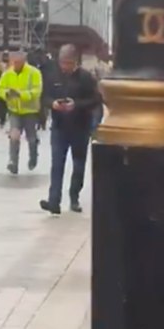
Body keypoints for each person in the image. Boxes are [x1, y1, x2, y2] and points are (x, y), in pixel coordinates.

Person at [39, 44, 101, 215]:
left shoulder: (86, 78)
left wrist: (77, 105)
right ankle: (54, 201)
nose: (64, 67)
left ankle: (74, 197)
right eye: (62, 63)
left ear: (75, 62)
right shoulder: (53, 76)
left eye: (68, 63)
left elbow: (95, 100)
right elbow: (44, 97)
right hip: (59, 127)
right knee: (57, 165)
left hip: (80, 128)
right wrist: (53, 104)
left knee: (78, 165)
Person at [0, 51, 44, 175]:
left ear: (24, 61)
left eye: (18, 62)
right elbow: (0, 89)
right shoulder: (8, 74)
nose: (15, 64)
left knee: (31, 138)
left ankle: (33, 156)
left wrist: (21, 95)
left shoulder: (34, 73)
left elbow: (37, 90)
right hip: (14, 110)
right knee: (14, 136)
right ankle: (13, 162)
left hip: (30, 111)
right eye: (14, 62)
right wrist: (6, 94)